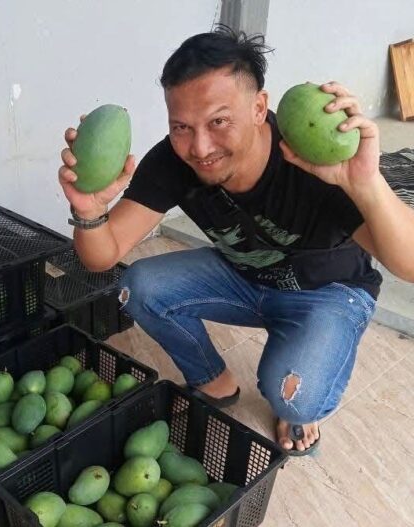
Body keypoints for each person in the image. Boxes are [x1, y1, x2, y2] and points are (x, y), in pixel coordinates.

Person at [57, 25, 414, 455]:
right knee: (139, 286)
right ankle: (213, 380)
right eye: (181, 126)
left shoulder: (312, 160)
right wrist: (89, 211)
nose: (200, 147)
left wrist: (366, 182)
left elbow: (409, 264)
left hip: (328, 292)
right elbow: (103, 255)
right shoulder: (173, 160)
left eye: (219, 121)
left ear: (259, 107)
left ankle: (301, 395)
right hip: (242, 276)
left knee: (294, 397)